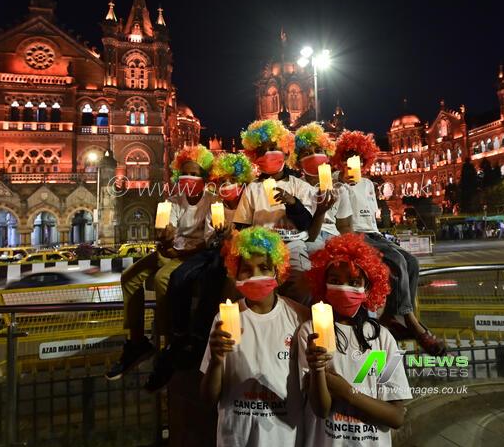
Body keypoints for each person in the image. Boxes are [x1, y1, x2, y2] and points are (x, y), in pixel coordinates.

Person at [106, 145, 216, 384]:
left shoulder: (211, 201)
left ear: (205, 178)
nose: (190, 178)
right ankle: (137, 342)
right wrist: (164, 236)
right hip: (171, 250)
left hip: (191, 255)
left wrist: (178, 249)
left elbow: (208, 241)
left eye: (196, 174)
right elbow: (167, 228)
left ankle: (167, 346)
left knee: (161, 279)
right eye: (185, 173)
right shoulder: (173, 199)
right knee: (130, 277)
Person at [147, 153, 257, 389]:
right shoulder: (202, 203)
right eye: (224, 180)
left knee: (212, 280)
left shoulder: (249, 199)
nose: (229, 185)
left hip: (228, 258)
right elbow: (206, 239)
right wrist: (166, 240)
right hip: (205, 255)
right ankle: (176, 338)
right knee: (174, 277)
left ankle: (197, 340)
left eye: (234, 180)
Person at [333, 130, 445, 355]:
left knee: (411, 261)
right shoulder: (336, 180)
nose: (354, 161)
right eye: (349, 156)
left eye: (359, 157)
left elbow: (370, 218)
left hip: (374, 234)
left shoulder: (367, 184)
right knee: (396, 261)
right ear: (341, 158)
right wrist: (341, 183)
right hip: (355, 235)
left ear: (365, 160)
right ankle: (410, 319)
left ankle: (392, 316)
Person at [200, 227, 310, 447]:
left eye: (264, 268)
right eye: (246, 270)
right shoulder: (224, 319)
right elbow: (207, 399)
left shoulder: (300, 318)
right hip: (236, 439)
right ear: (235, 273)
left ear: (278, 271)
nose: (255, 276)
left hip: (285, 440)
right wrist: (216, 361)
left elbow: (312, 393)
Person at [299, 233, 410, 447]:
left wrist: (347, 392)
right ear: (323, 284)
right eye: (334, 281)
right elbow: (321, 409)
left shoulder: (384, 339)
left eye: (354, 282)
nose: (343, 288)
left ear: (368, 288)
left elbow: (396, 416)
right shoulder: (310, 333)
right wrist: (317, 370)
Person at [234, 119, 317, 304]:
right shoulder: (252, 188)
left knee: (302, 283)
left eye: (273, 148)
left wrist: (292, 203)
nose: (267, 154)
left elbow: (307, 225)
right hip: (260, 247)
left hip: (292, 245)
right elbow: (242, 226)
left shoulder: (300, 187)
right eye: (262, 151)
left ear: (286, 153)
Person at [291, 122, 353, 253]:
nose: (314, 156)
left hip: (333, 236)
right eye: (307, 153)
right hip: (308, 238)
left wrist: (349, 248)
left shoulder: (339, 189)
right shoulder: (294, 188)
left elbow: (345, 226)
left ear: (327, 156)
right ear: (298, 162)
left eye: (318, 151)